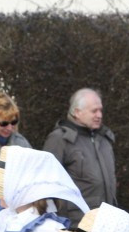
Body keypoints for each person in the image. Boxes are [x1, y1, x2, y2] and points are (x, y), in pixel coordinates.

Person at [42, 88, 117, 222]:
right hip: (75, 224)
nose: (99, 115)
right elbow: (45, 184)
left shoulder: (104, 140)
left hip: (106, 222)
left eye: (100, 110)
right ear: (77, 112)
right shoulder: (59, 139)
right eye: (94, 111)